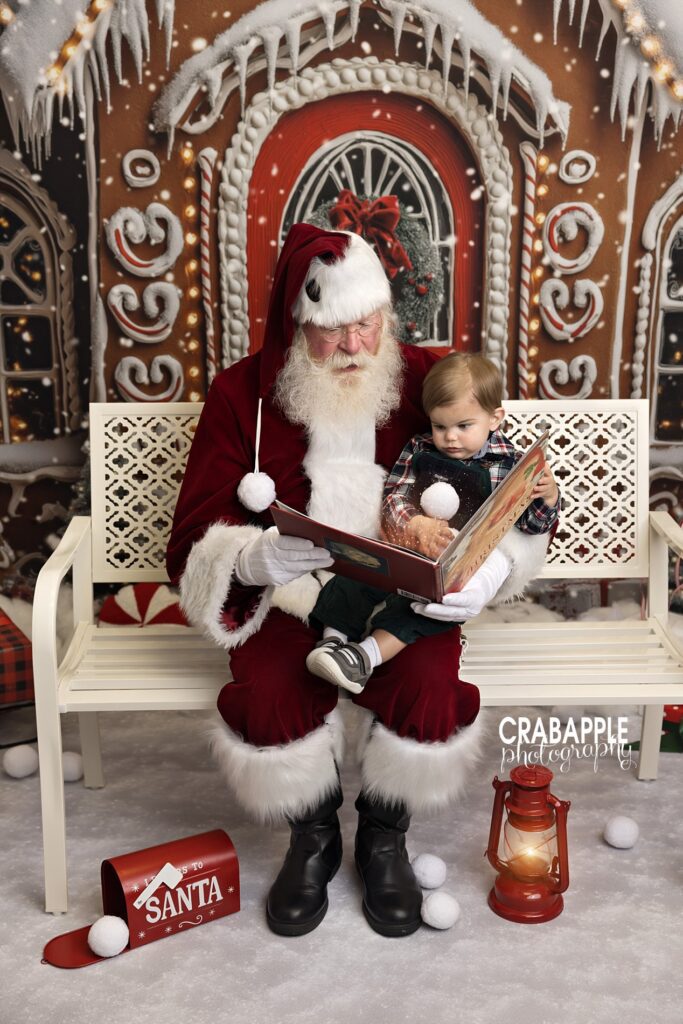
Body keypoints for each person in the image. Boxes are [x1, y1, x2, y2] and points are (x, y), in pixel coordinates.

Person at [166, 223, 552, 939]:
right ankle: (311, 838)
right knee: (270, 691)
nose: (352, 346)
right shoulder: (239, 396)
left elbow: (517, 486)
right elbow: (192, 536)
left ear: (386, 315)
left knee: (428, 687)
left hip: (402, 600)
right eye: (330, 331)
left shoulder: (432, 380)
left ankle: (383, 836)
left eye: (365, 325)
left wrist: (492, 568)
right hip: (289, 601)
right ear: (296, 325)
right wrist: (252, 561)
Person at [305, 352, 560, 694]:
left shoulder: (510, 465)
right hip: (408, 547)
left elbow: (530, 527)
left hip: (454, 570)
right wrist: (414, 526)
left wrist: (549, 498)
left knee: (424, 611)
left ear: (494, 418)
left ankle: (363, 657)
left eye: (463, 426)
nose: (450, 437)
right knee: (359, 575)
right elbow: (394, 496)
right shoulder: (419, 449)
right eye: (440, 426)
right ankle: (331, 643)